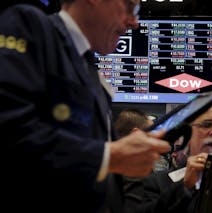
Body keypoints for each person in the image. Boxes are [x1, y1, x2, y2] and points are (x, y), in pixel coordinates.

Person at [0, 1, 170, 213]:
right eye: (129, 7)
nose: (134, 22)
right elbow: (9, 129)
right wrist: (109, 156)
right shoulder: (28, 25)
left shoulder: (88, 66)